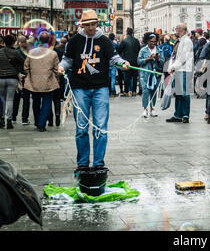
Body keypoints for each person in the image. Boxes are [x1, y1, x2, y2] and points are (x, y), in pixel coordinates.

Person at [58, 10, 130, 171]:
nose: (90, 27)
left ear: (97, 24)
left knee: (100, 127)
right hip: (79, 89)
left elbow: (114, 58)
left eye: (93, 24)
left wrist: (122, 63)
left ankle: (98, 163)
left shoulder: (104, 41)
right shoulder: (74, 41)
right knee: (81, 128)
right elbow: (67, 60)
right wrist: (61, 67)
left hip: (100, 88)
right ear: (82, 25)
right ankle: (83, 163)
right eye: (87, 25)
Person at [24, 29, 60, 132]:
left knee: (35, 102)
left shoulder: (31, 52)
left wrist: (30, 75)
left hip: (34, 82)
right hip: (48, 81)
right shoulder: (53, 53)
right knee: (47, 103)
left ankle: (37, 121)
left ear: (39, 40)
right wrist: (56, 78)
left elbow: (26, 67)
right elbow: (56, 69)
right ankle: (42, 123)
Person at [0, 34, 25, 129]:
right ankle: (9, 121)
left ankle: (2, 119)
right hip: (12, 77)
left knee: (2, 99)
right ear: (13, 42)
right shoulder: (15, 52)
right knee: (10, 99)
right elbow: (23, 62)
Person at [166, 23, 194, 123]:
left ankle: (185, 114)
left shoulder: (186, 41)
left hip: (184, 70)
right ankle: (178, 114)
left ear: (181, 30)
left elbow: (183, 58)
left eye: (176, 29)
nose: (175, 30)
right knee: (178, 93)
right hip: (179, 70)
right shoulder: (181, 41)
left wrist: (173, 67)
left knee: (184, 93)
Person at [137, 33, 164, 118]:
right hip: (145, 74)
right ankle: (145, 109)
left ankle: (152, 109)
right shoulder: (143, 50)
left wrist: (158, 59)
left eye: (155, 42)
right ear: (147, 41)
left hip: (155, 75)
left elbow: (162, 63)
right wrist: (147, 59)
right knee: (145, 91)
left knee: (154, 91)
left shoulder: (159, 50)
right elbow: (138, 61)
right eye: (151, 41)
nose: (153, 43)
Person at [11, 35, 31, 125]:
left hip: (18, 76)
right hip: (27, 76)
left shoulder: (15, 52)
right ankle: (24, 119)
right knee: (26, 98)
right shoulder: (29, 52)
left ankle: (13, 117)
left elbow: (12, 64)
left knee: (16, 98)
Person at [118, 28, 140, 96]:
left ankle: (126, 91)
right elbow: (139, 50)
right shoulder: (136, 41)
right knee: (135, 77)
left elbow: (119, 50)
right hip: (135, 60)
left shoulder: (124, 41)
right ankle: (134, 91)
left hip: (127, 61)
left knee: (127, 77)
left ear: (127, 32)